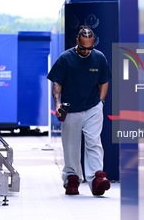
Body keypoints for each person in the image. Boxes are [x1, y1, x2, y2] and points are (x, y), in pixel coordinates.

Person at [47, 25, 112, 196]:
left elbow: (104, 80)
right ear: (77, 42)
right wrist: (57, 104)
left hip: (92, 107)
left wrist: (101, 102)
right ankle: (72, 179)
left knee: (93, 141)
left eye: (89, 48)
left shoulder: (99, 58)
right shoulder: (65, 58)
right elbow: (57, 83)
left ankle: (97, 178)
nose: (86, 51)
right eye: (83, 47)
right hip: (71, 108)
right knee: (71, 146)